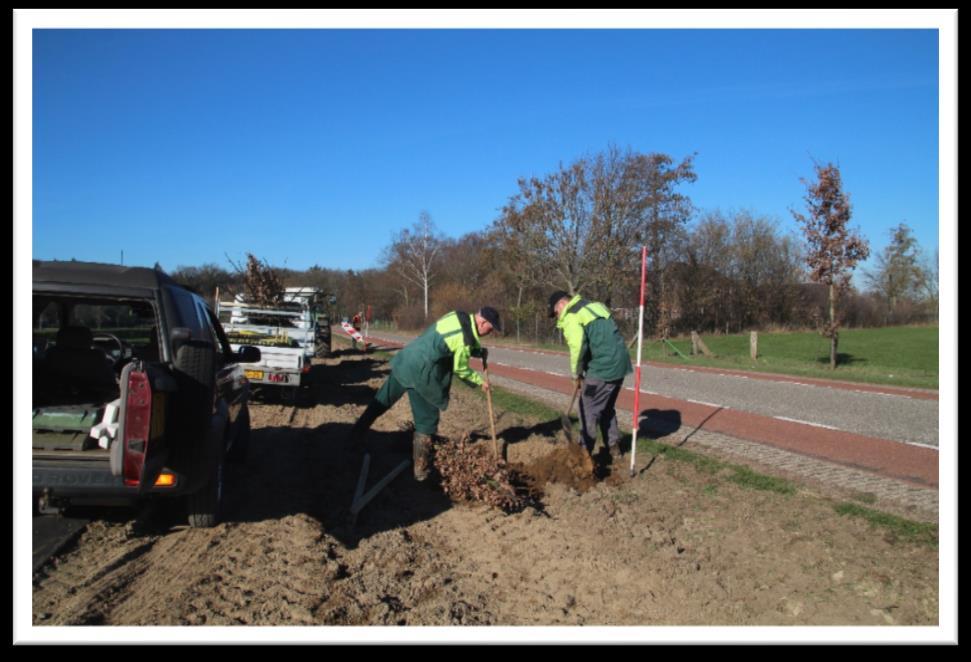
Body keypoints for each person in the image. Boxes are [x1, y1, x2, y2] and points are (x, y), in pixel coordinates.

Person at [349, 306, 502, 481]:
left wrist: (476, 350)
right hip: (422, 374)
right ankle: (421, 473)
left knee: (380, 402)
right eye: (490, 329)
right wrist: (479, 381)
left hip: (407, 360)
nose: (489, 333)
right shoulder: (466, 340)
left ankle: (353, 437)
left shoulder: (457, 315)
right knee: (427, 422)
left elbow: (448, 338)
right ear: (482, 322)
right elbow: (460, 368)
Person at [548, 291, 632, 461]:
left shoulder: (572, 315)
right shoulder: (594, 305)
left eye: (555, 313)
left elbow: (578, 347)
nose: (557, 317)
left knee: (587, 408)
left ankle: (584, 454)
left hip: (603, 368)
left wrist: (576, 374)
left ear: (562, 305)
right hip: (620, 364)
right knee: (606, 407)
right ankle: (614, 448)